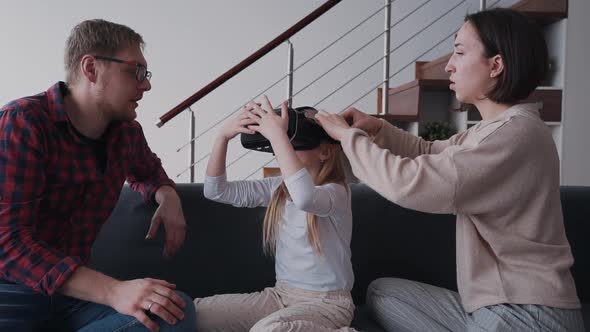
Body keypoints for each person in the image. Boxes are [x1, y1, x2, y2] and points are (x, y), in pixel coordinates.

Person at [315, 8, 585, 332]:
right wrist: (378, 130)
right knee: (383, 292)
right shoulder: (491, 130)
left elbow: (412, 183)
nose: (448, 65)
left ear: (496, 65)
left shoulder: (515, 135)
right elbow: (428, 152)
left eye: (459, 52)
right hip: (492, 309)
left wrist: (348, 137)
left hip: (529, 315)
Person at [0, 19, 196, 331]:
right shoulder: (23, 123)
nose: (146, 85)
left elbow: (148, 171)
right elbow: (8, 243)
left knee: (173, 310)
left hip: (70, 298)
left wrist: (166, 193)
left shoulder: (127, 135)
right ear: (91, 68)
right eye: (137, 71)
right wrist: (114, 291)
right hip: (10, 292)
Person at [194, 96, 356, 332]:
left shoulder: (337, 193)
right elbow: (216, 191)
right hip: (281, 296)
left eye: (292, 146)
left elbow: (305, 197)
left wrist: (278, 136)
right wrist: (222, 137)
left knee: (267, 330)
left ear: (325, 152)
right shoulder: (276, 188)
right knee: (194, 313)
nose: (281, 153)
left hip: (328, 304)